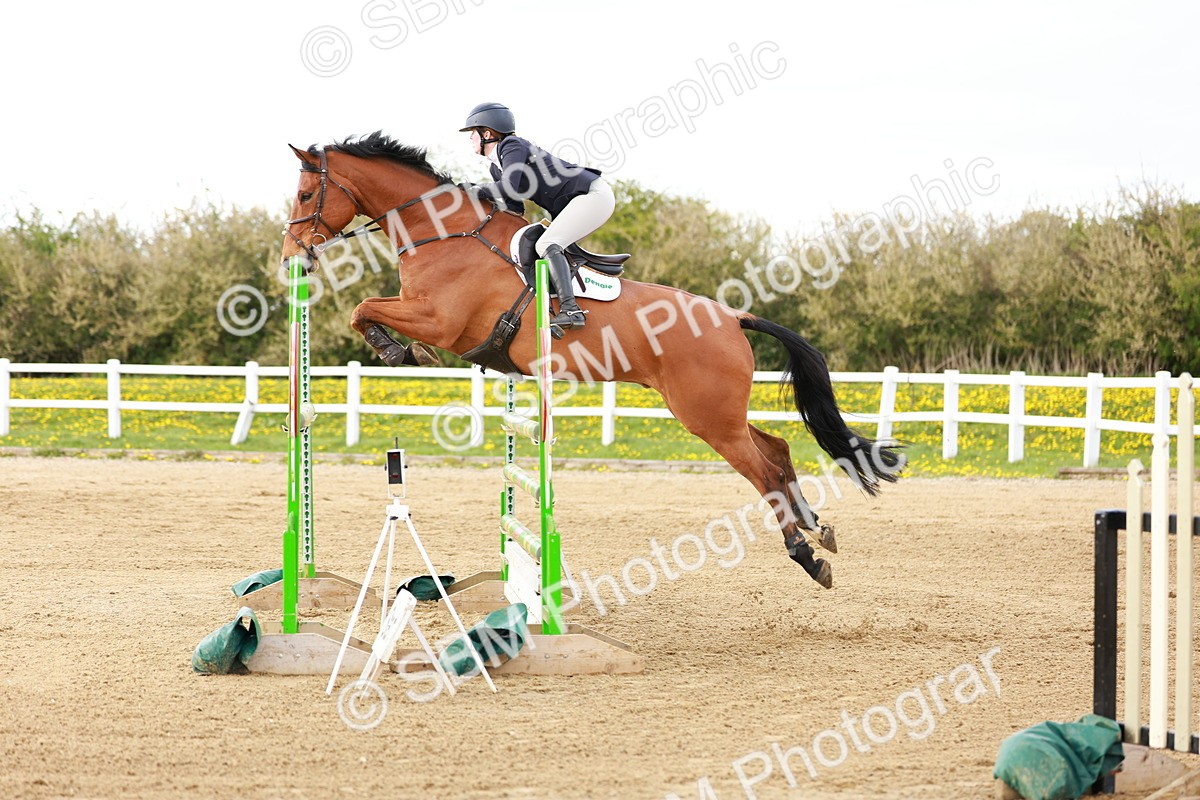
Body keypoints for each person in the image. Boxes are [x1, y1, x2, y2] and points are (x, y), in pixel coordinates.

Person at [459, 102, 614, 329]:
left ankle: (571, 310)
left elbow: (509, 187)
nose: (470, 138)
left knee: (548, 243)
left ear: (487, 134)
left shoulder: (511, 146)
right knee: (542, 244)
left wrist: (473, 190)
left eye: (472, 133)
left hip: (592, 195)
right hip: (577, 201)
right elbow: (514, 208)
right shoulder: (496, 167)